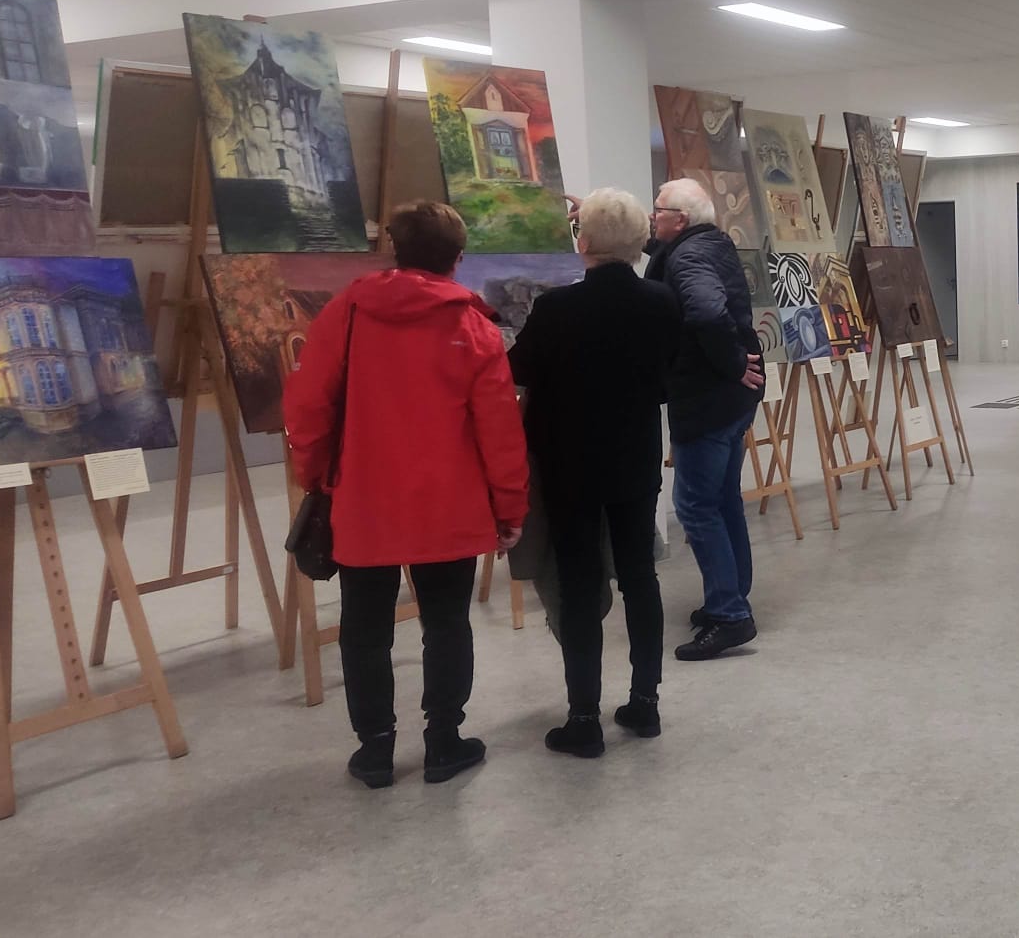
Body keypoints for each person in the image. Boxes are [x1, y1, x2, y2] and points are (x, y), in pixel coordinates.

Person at [283, 201, 528, 789]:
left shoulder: (345, 313)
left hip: (363, 498)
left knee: (364, 627)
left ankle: (374, 750)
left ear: (392, 249)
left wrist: (313, 476)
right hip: (449, 503)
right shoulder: (473, 327)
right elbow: (499, 430)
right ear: (458, 258)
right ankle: (444, 741)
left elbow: (309, 406)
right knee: (447, 623)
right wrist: (509, 507)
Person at [508, 188, 677, 758]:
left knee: (578, 584)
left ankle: (584, 717)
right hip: (635, 457)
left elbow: (518, 369)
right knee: (639, 577)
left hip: (570, 464)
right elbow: (665, 379)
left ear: (583, 242)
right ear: (638, 242)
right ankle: (645, 702)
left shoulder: (556, 308)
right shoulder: (660, 302)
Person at [646, 177, 768, 661]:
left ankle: (730, 615)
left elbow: (707, 313)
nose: (652, 217)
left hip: (708, 398)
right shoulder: (708, 244)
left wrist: (732, 364)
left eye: (658, 210)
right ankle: (732, 595)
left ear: (679, 220)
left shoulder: (689, 258)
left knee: (696, 506)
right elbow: (666, 257)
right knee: (722, 499)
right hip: (731, 399)